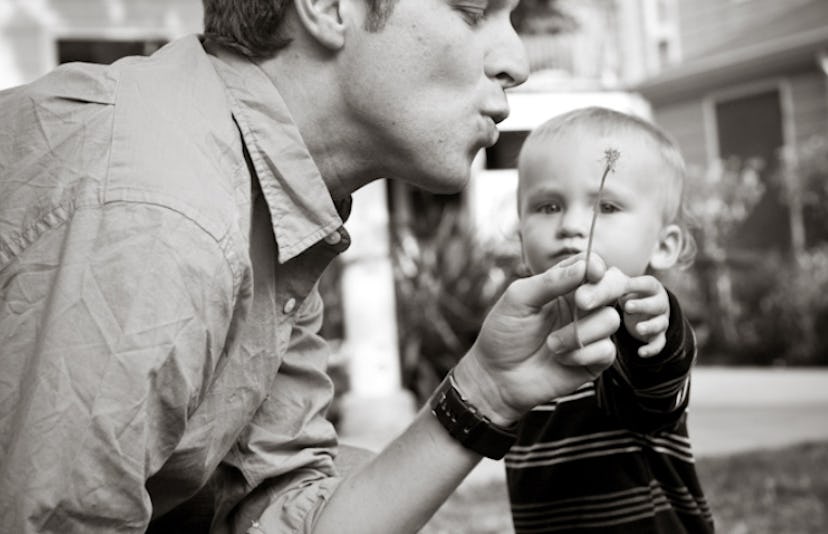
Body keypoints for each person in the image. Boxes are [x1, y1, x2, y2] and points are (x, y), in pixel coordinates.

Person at [0, 2, 637, 533]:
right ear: (329, 7)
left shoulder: (267, 195)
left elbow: (281, 511)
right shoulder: (163, 217)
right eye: (473, 11)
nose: (517, 62)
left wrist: (487, 390)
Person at [506, 106, 715, 533]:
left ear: (665, 245)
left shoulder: (637, 324)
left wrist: (658, 327)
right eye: (547, 206)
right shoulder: (518, 334)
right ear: (520, 230)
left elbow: (659, 390)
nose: (571, 225)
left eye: (606, 205)